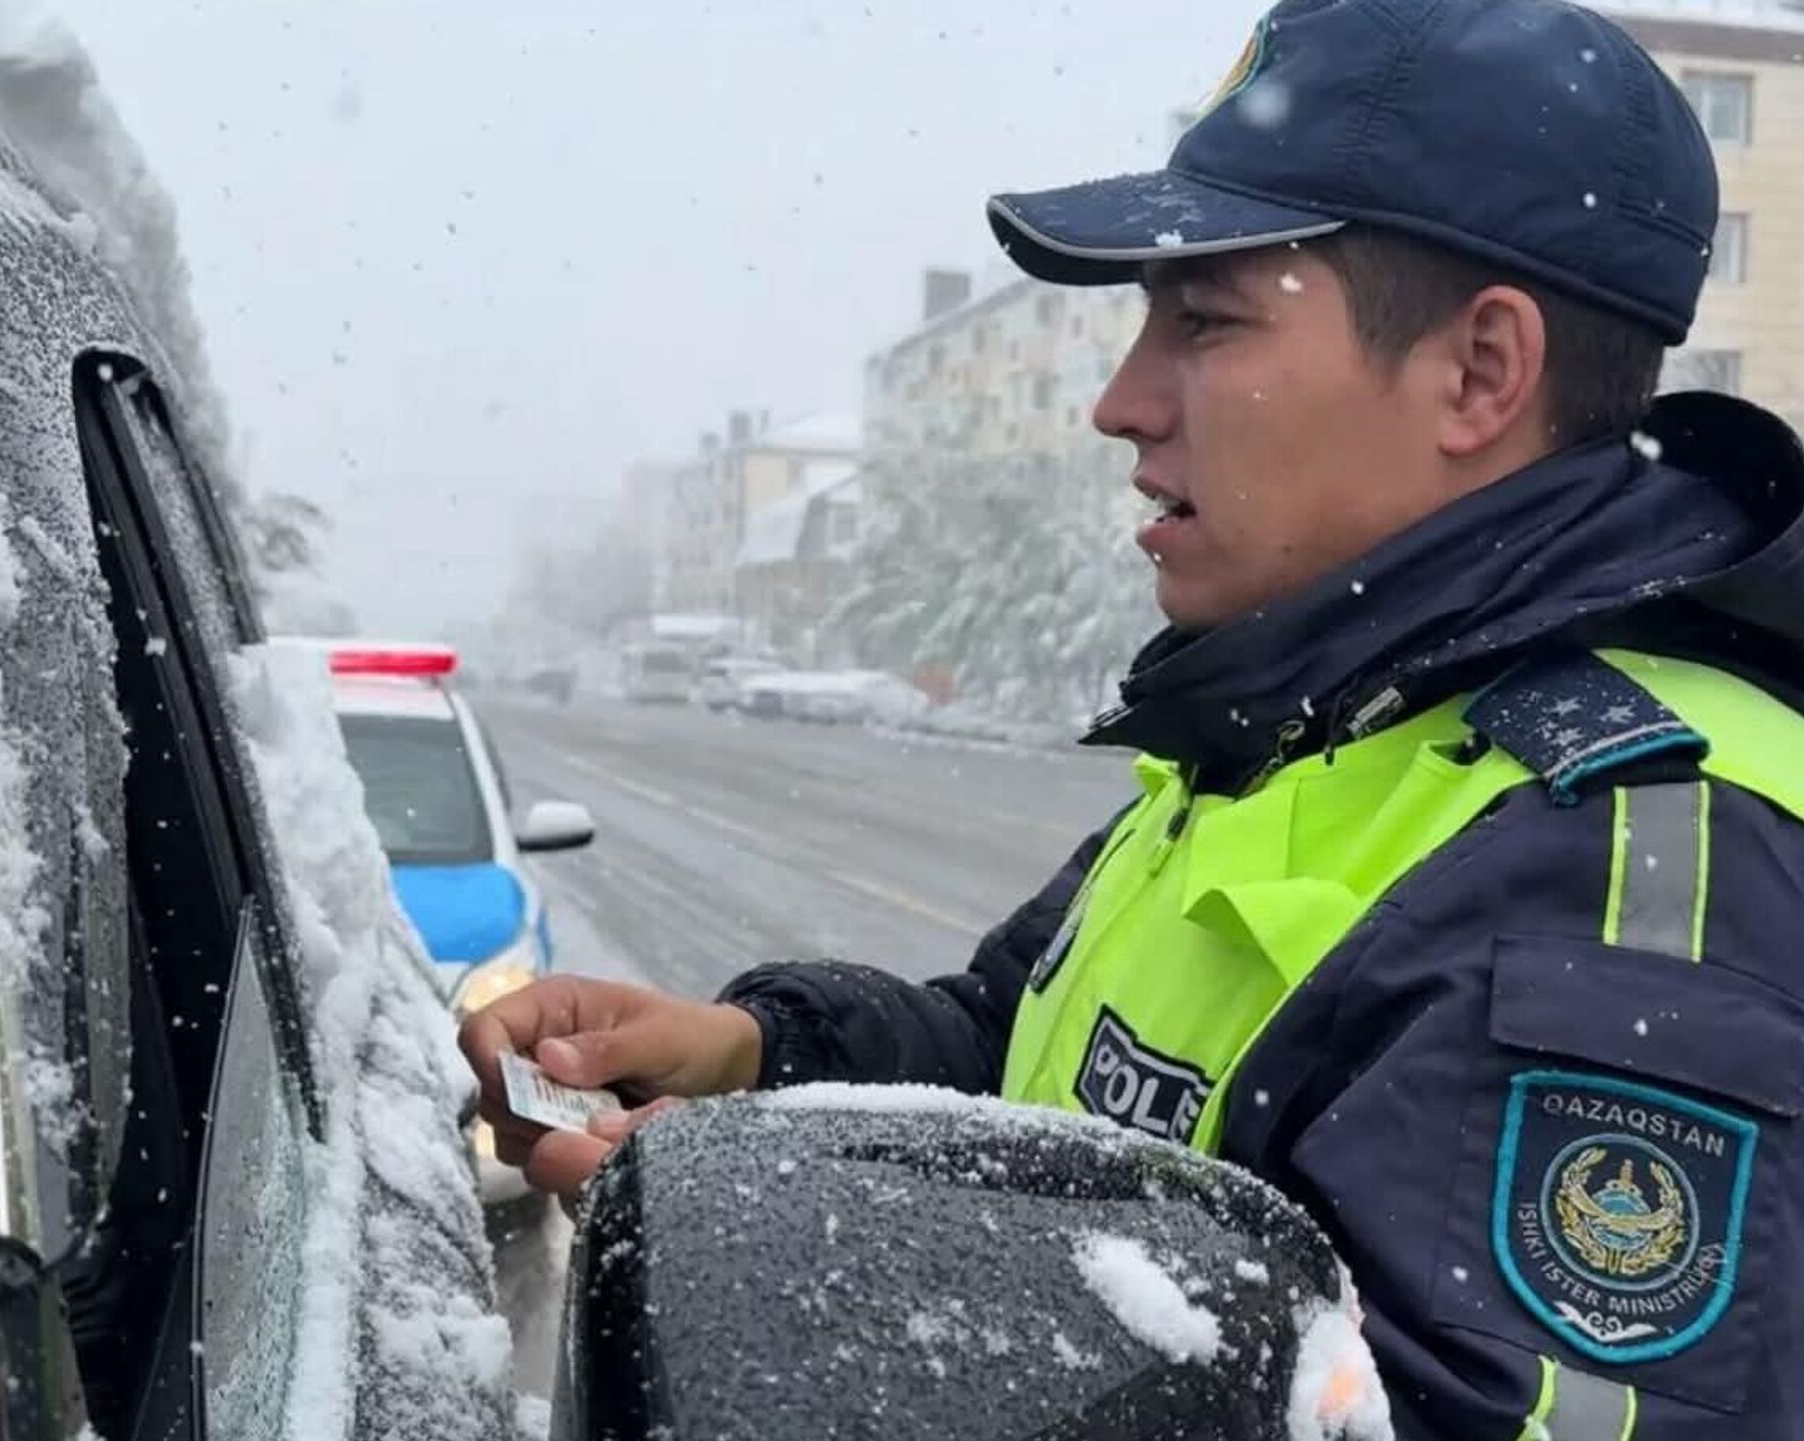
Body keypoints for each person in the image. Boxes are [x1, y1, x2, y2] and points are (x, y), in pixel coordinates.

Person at [463, 0, 1804, 1434]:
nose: (1119, 401)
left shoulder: (1634, 863)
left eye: (1203, 321)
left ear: (1478, 372)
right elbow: (1024, 1069)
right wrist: (752, 1055)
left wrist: (795, 1261)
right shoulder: (1306, 731)